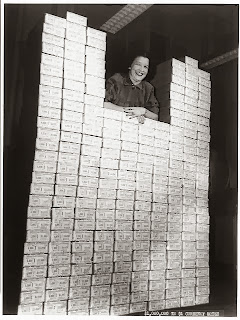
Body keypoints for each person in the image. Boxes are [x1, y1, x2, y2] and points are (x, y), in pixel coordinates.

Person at [104, 54, 159, 123]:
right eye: (138, 64)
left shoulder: (148, 88)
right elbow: (104, 104)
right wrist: (132, 112)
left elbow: (155, 117)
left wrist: (143, 111)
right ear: (130, 66)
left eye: (145, 67)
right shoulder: (117, 79)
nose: (141, 70)